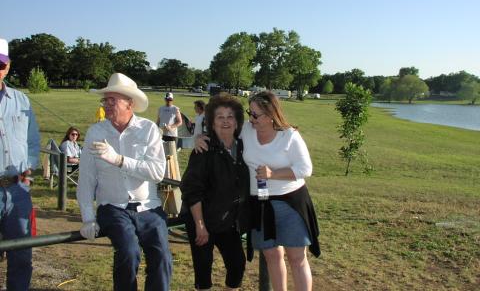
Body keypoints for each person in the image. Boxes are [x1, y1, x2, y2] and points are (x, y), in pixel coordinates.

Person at [196, 91, 320, 291]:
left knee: (296, 258)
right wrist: (200, 138)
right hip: (260, 203)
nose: (250, 118)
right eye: (249, 112)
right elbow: (222, 131)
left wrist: (273, 174)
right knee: (272, 255)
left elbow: (306, 169)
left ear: (271, 115)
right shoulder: (247, 130)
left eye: (255, 114)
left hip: (290, 203)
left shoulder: (289, 136)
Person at [76, 73, 172, 291]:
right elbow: (86, 179)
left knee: (162, 257)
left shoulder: (148, 129)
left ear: (130, 103)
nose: (107, 105)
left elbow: (157, 172)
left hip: (149, 207)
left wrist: (119, 160)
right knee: (128, 253)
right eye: (105, 100)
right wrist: (88, 218)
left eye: (113, 100)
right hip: (113, 208)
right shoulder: (96, 132)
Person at [180, 93, 250, 291]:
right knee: (203, 272)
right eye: (220, 117)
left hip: (229, 222)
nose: (226, 121)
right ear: (211, 122)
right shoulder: (203, 149)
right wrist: (200, 225)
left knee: (237, 264)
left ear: (237, 122)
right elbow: (192, 189)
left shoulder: (245, 148)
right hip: (202, 220)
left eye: (230, 116)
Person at [0, 38, 41, 291]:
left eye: (0, 64)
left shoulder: (21, 100)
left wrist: (28, 175)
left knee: (21, 256)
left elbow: (33, 141)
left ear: (7, 66)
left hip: (18, 190)